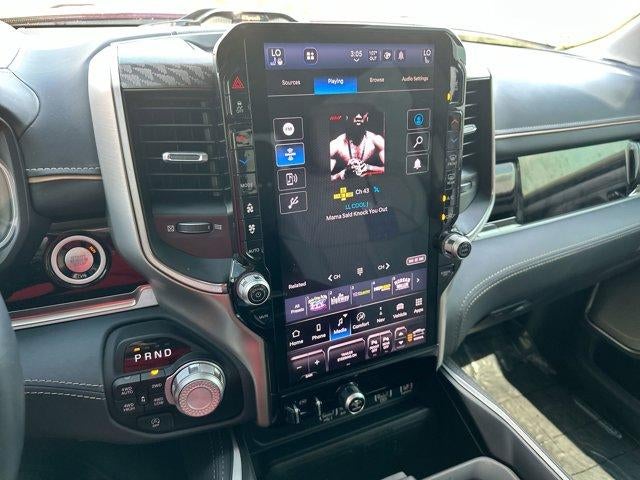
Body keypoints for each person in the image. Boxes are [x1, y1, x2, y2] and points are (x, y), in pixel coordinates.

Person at [330, 112, 385, 181]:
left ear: (367, 117)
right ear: (347, 117)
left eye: (362, 113)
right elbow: (322, 179)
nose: (358, 117)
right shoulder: (336, 144)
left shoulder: (377, 140)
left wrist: (369, 168)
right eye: (355, 112)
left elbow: (393, 170)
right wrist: (341, 175)